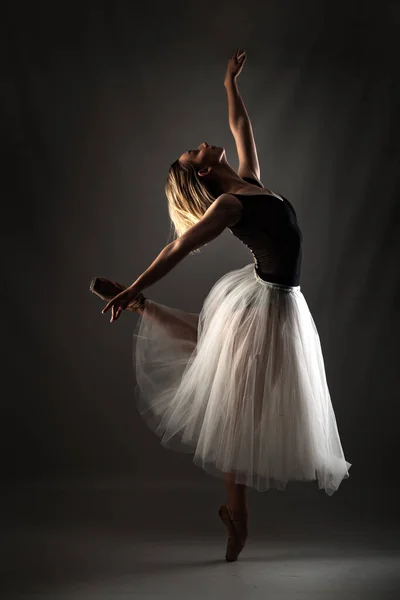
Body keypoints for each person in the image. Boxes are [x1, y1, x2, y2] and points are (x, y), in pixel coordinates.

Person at [90, 49, 351, 562]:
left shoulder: (250, 181)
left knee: (217, 354)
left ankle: (142, 304)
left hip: (278, 300)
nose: (201, 145)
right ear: (203, 174)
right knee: (237, 402)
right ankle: (238, 517)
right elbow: (179, 247)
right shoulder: (228, 205)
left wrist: (229, 82)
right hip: (265, 301)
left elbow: (241, 125)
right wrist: (131, 284)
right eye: (194, 153)